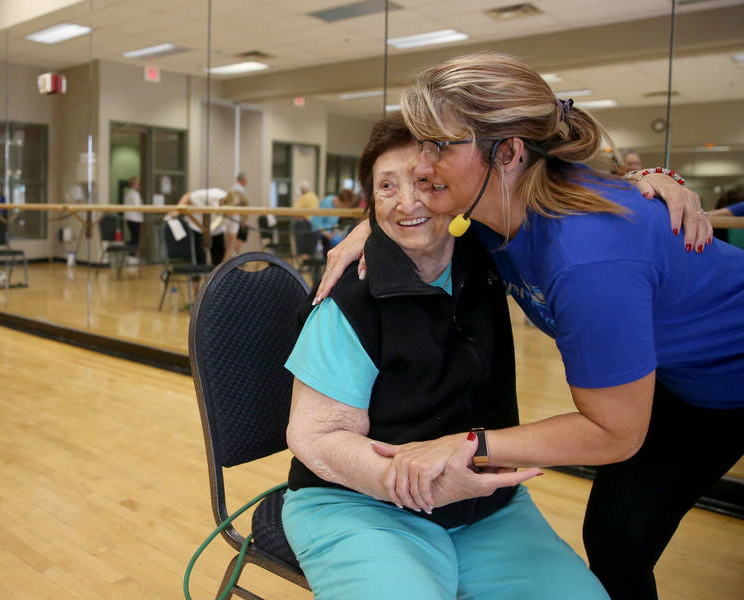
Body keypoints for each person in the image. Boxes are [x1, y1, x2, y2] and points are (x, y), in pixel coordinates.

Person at [315, 53, 740, 600]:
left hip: (730, 377)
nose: (422, 166)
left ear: (510, 151)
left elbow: (615, 431)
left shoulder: (588, 259)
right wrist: (373, 225)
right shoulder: (495, 214)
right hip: (676, 378)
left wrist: (466, 444)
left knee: (619, 542)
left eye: (437, 146)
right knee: (616, 542)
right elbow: (416, 214)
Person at [282, 114, 609, 599]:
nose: (407, 202)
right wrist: (412, 482)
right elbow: (314, 435)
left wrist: (654, 181)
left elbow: (557, 181)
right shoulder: (350, 300)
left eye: (424, 182)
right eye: (387, 187)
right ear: (371, 204)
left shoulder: (487, 253)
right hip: (361, 505)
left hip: (484, 508)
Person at [123, 176, 144, 248]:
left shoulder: (130, 193)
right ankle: (132, 255)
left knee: (134, 238)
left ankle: (132, 255)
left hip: (132, 218)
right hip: (134, 219)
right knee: (135, 239)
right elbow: (138, 207)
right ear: (133, 184)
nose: (139, 186)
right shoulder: (134, 194)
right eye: (137, 184)